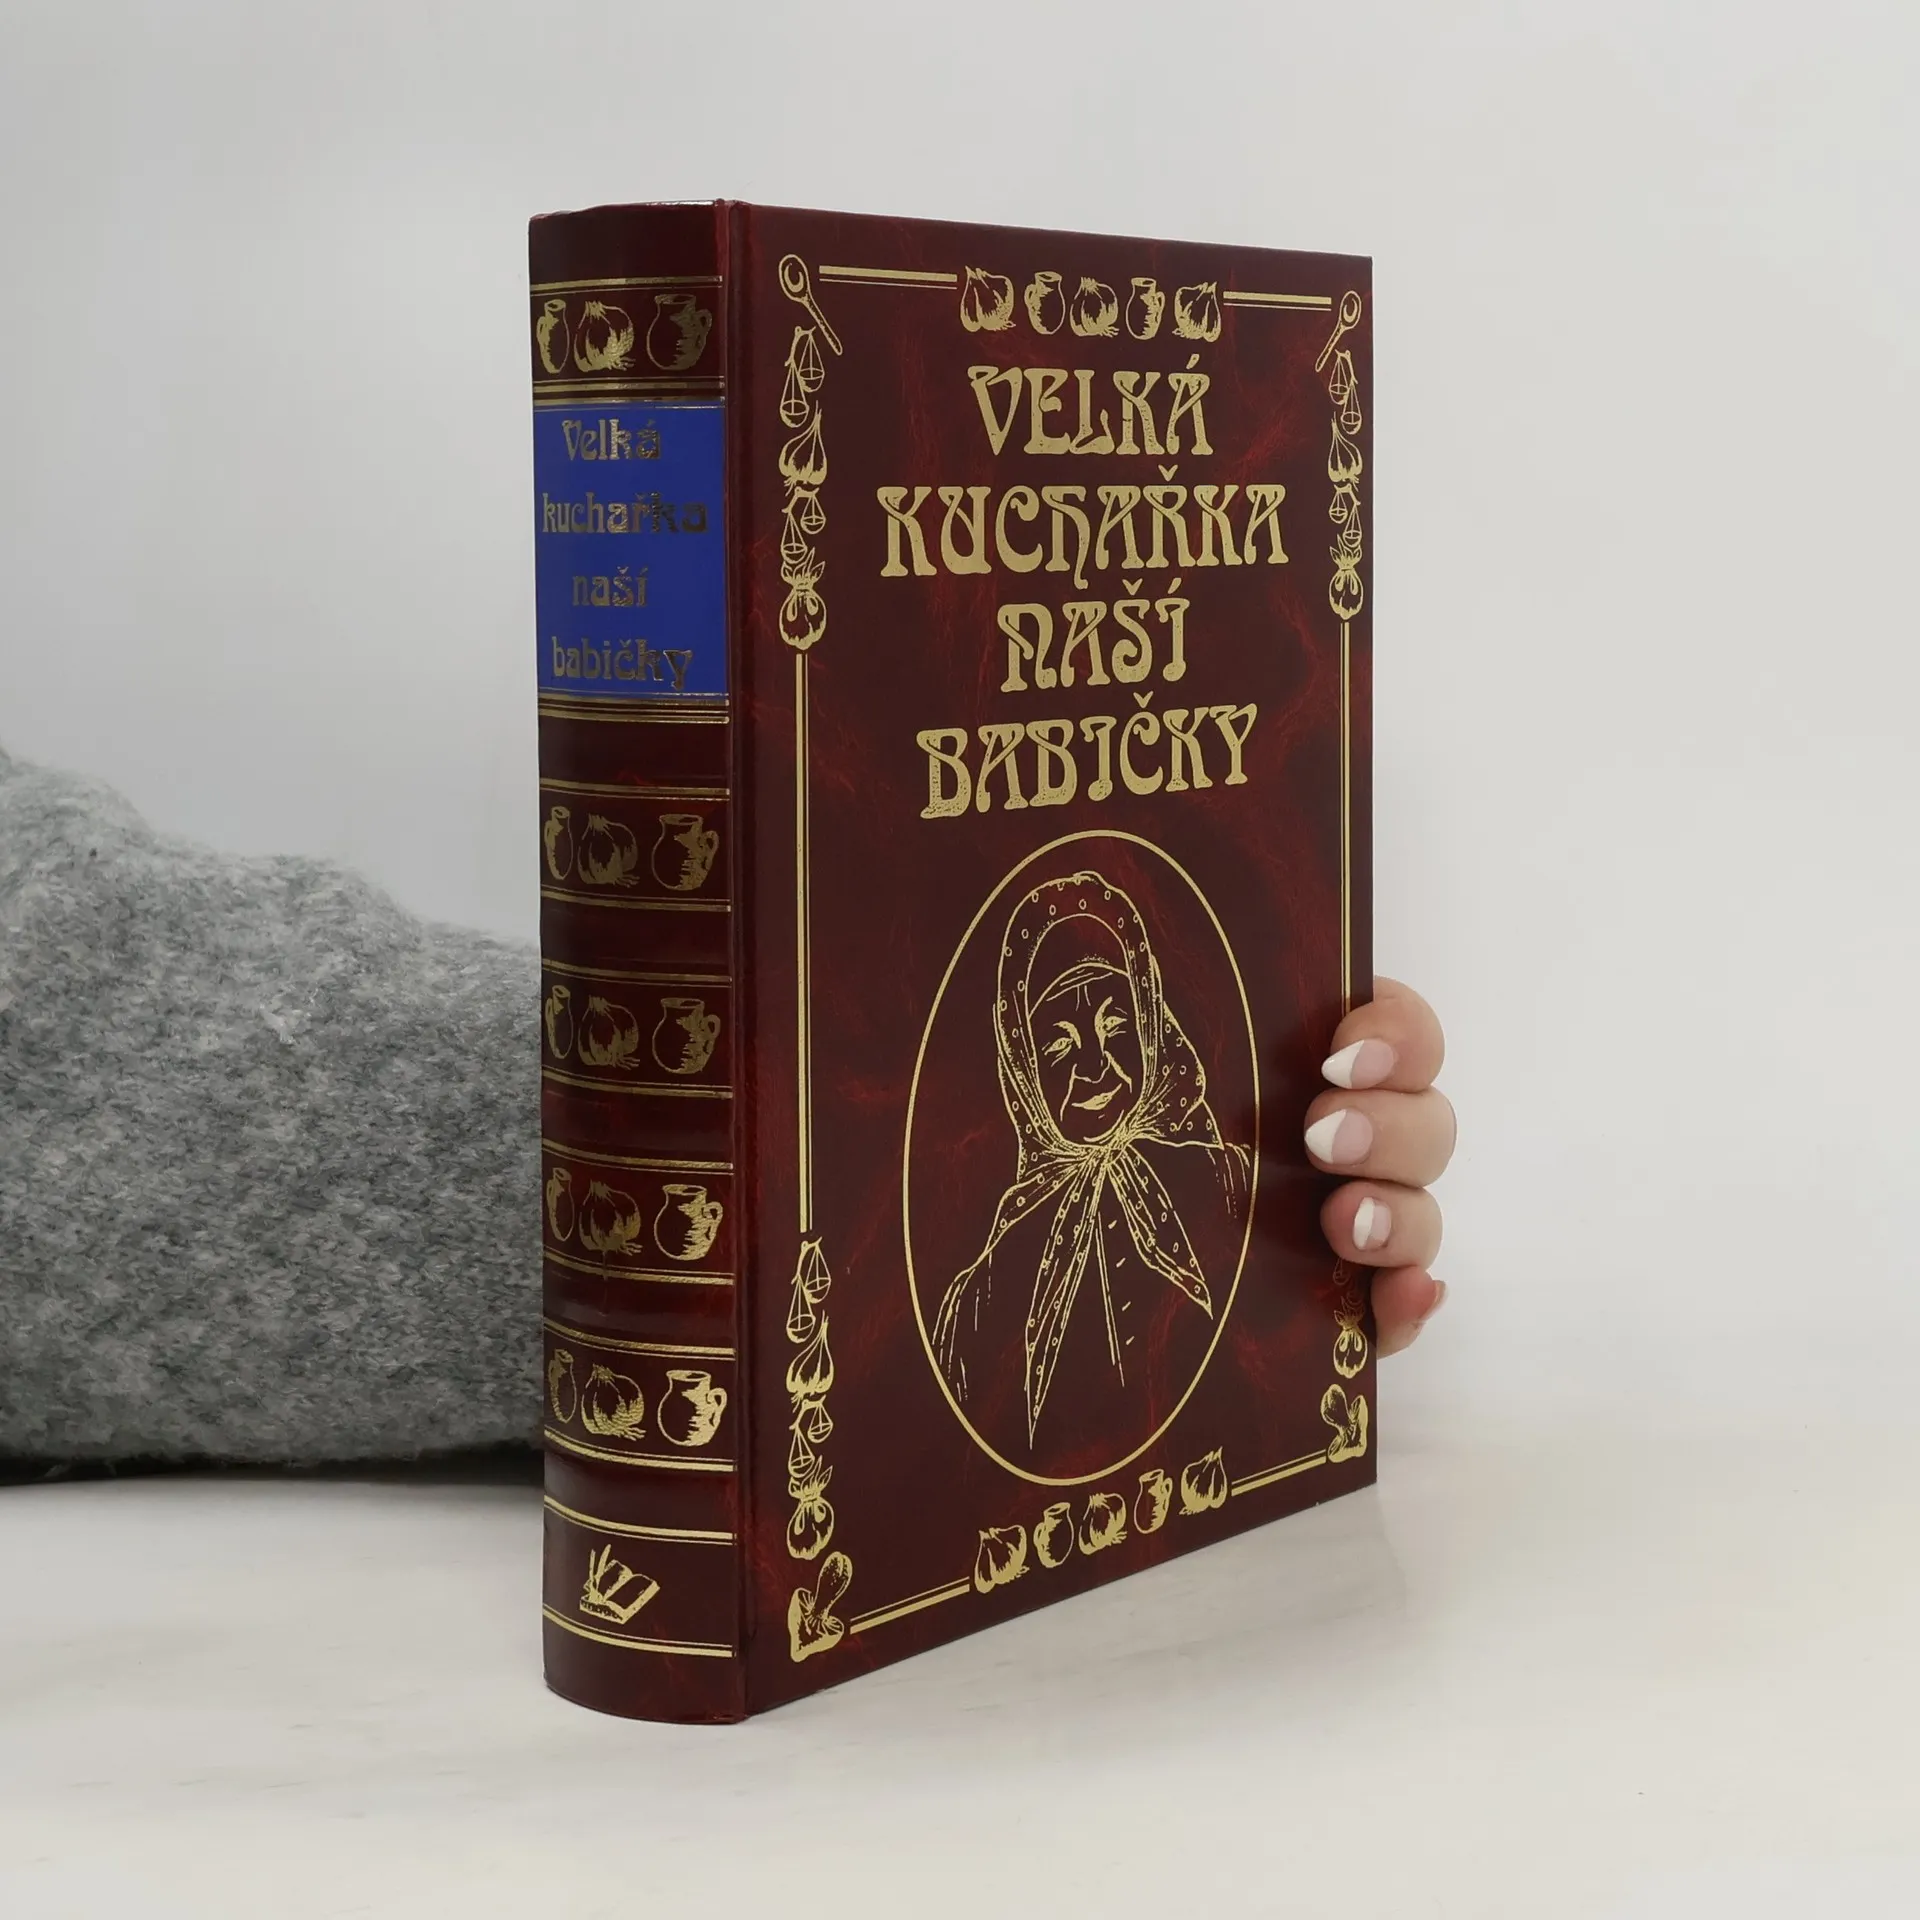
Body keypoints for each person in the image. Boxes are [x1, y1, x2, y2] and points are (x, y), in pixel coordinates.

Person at [0, 746, 1452, 1465]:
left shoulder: (1207, 1191)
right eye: (1047, 1030)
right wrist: (797, 1167)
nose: (1083, 1060)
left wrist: (1281, 1194)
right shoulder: (981, 1260)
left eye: (1111, 1018)